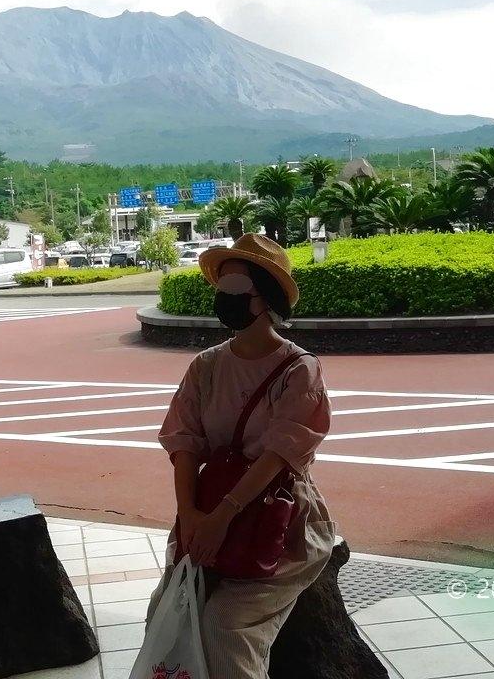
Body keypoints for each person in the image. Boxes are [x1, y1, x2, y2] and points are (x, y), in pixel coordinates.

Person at [145, 233, 337, 678]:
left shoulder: (299, 369)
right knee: (166, 611)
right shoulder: (206, 366)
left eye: (237, 289)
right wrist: (190, 516)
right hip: (208, 510)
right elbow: (183, 442)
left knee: (226, 627)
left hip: (279, 518)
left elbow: (280, 454)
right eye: (222, 288)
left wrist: (221, 517)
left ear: (266, 299)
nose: (225, 299)